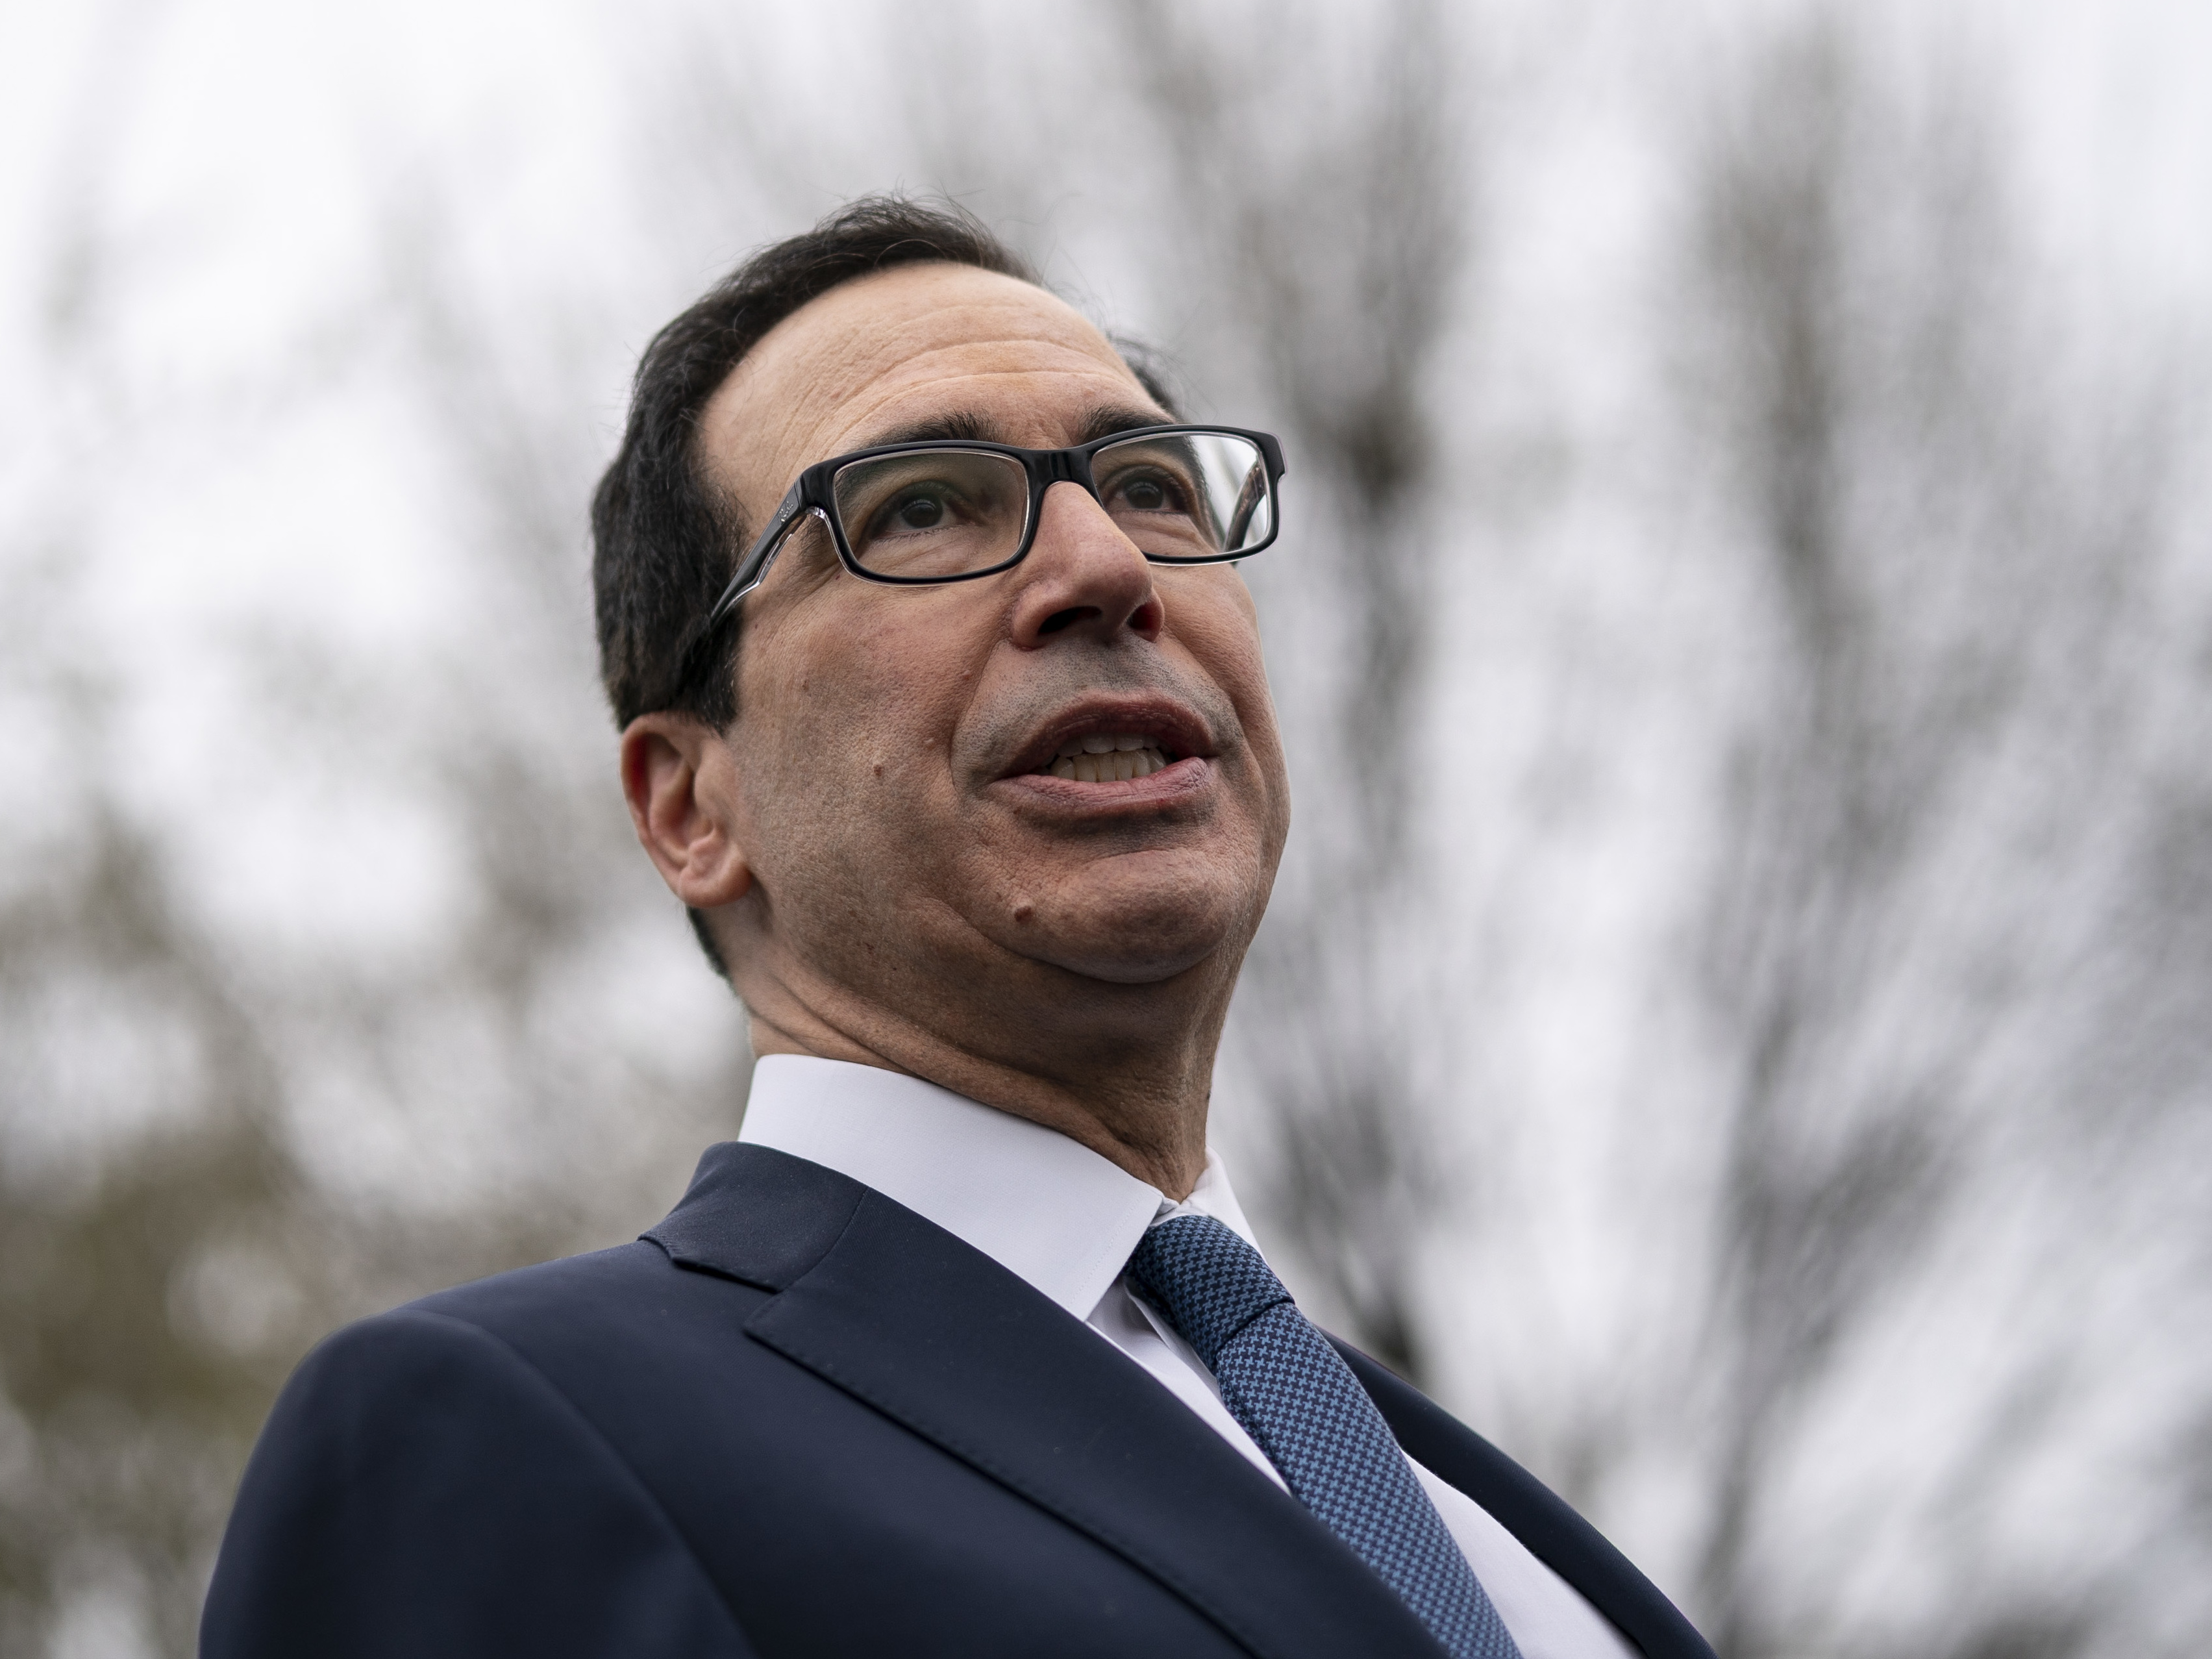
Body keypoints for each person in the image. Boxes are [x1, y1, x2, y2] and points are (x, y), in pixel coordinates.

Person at [200, 198, 1714, 1659]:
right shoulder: (498, 1443)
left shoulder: (1482, 1514)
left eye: (1152, 488)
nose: (1109, 571)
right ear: (687, 805)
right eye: (922, 506)